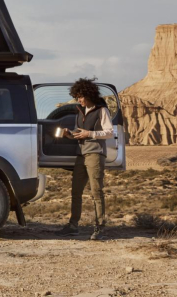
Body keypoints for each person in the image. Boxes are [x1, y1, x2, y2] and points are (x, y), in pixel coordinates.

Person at [54, 78, 114, 240]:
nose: (78, 100)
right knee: (76, 191)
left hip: (95, 153)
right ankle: (73, 225)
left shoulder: (101, 110)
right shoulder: (79, 112)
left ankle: (100, 227)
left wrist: (91, 134)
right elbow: (79, 133)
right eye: (77, 97)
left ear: (89, 95)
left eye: (80, 96)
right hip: (81, 153)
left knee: (96, 191)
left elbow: (110, 132)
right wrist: (69, 134)